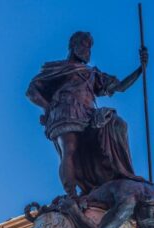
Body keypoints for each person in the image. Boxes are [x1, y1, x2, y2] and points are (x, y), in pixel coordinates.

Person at [26, 31, 148, 198]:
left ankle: (116, 174)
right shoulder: (60, 68)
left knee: (117, 123)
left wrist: (141, 68)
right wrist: (49, 108)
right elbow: (32, 92)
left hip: (88, 114)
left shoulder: (92, 73)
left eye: (90, 48)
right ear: (73, 46)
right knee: (70, 149)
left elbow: (120, 87)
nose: (87, 51)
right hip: (65, 112)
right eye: (84, 45)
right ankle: (71, 196)